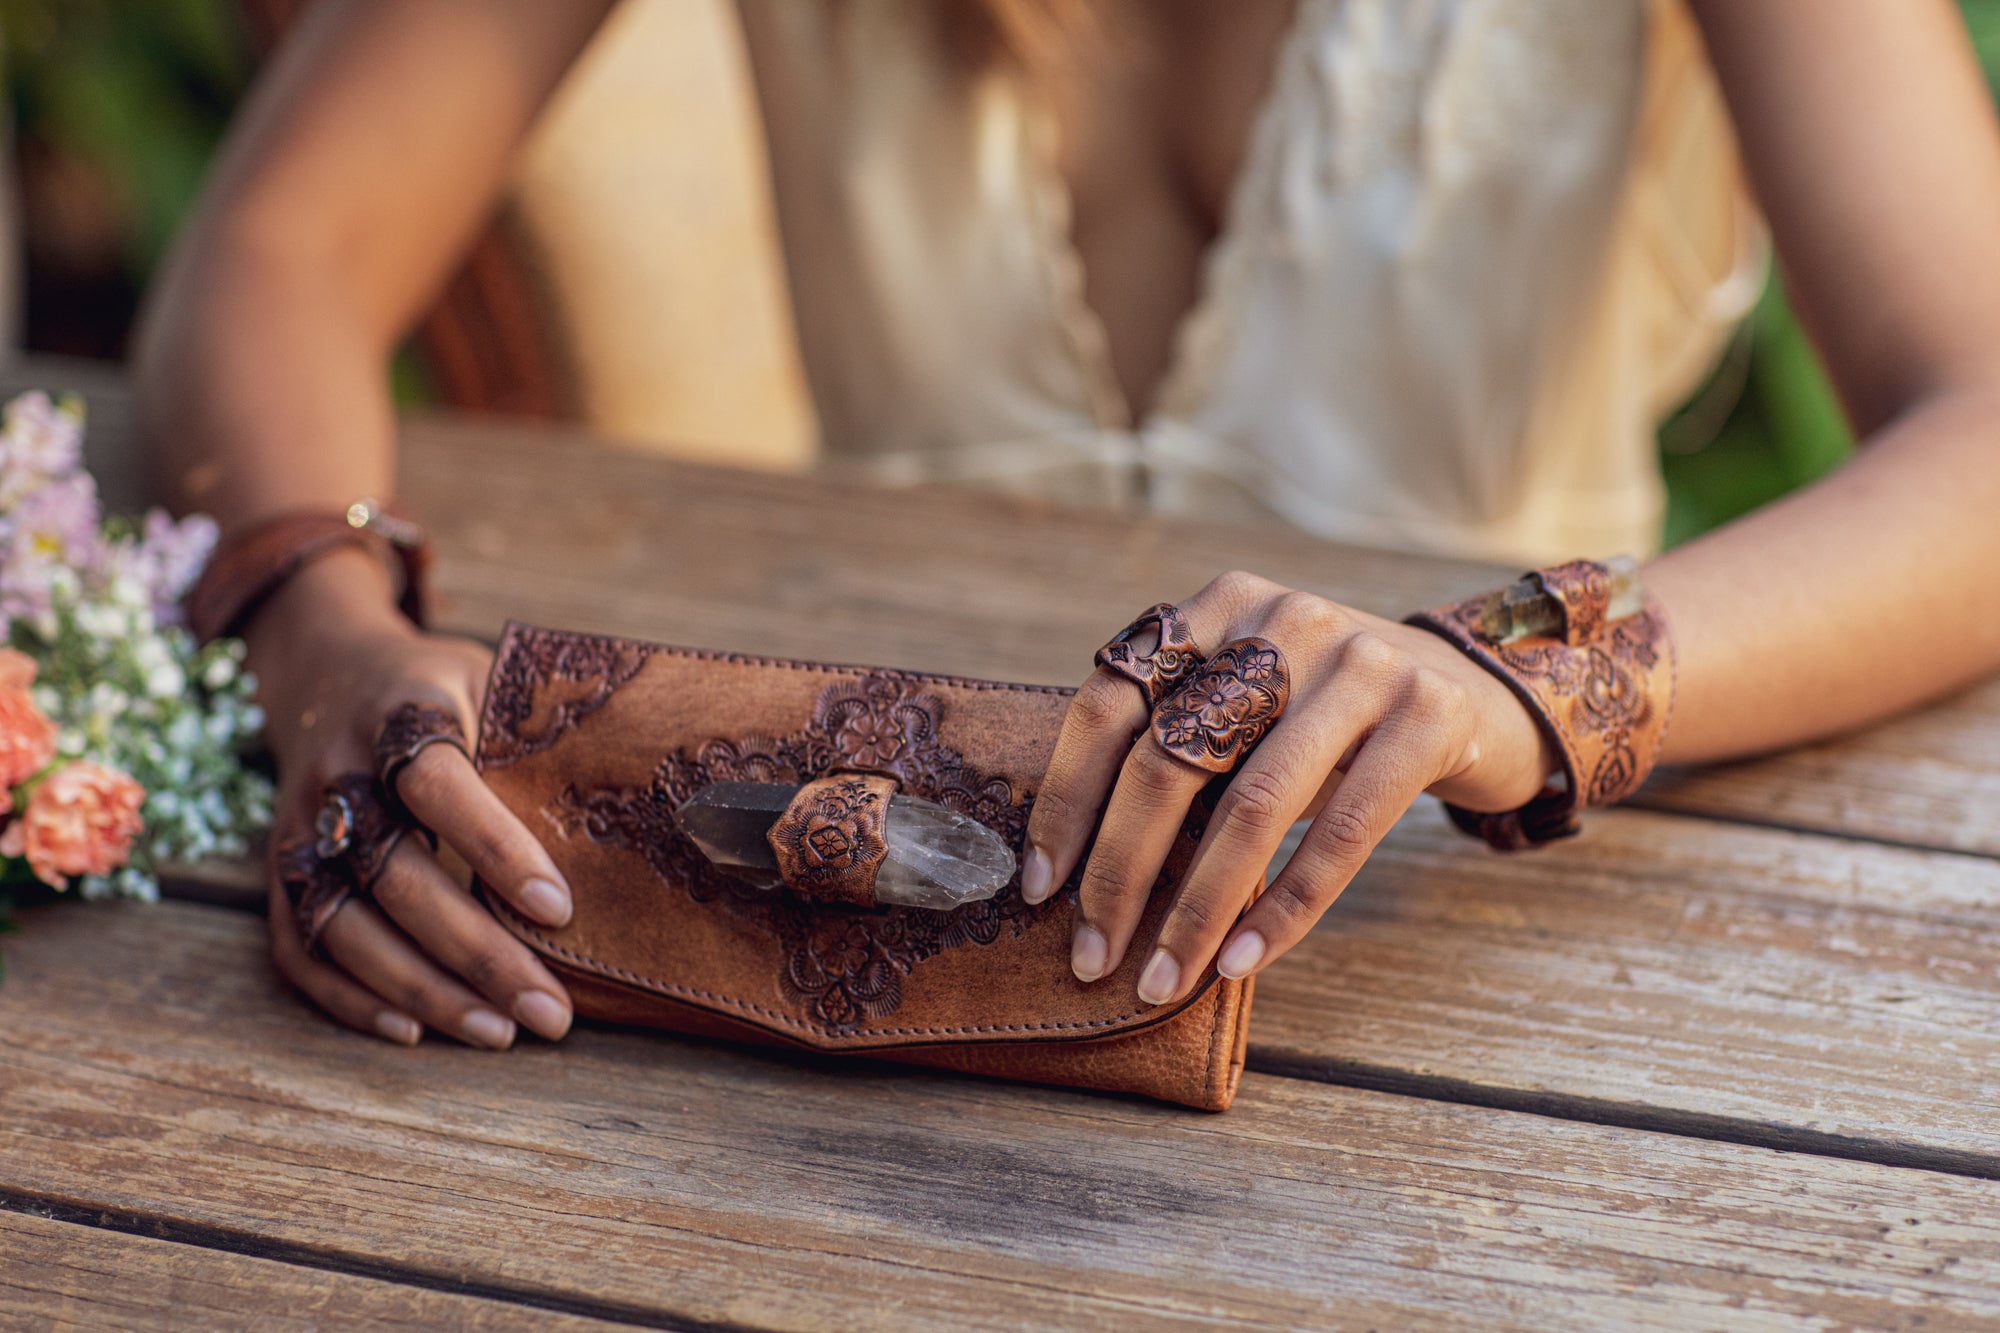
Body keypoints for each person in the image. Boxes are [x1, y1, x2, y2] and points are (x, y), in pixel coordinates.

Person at [137, 0, 2000, 1050]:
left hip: (1472, 957)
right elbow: (282, 247)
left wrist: (1512, 679)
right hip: (791, 925)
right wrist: (323, 627)